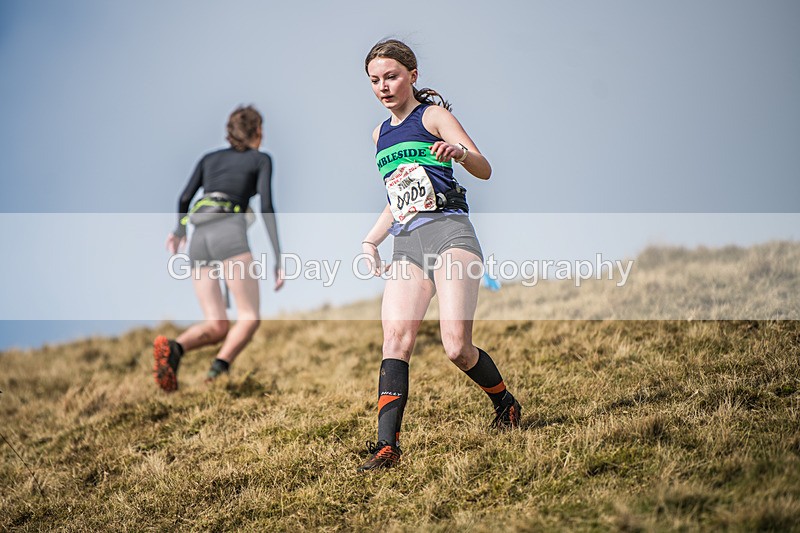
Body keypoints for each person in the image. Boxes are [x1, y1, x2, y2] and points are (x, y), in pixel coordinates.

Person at [357, 40, 521, 471]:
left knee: (456, 348)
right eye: (375, 80)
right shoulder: (379, 135)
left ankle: (505, 403)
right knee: (395, 338)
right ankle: (387, 447)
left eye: (391, 76)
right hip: (407, 243)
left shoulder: (432, 116)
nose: (383, 86)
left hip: (450, 233)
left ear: (412, 75)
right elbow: (398, 197)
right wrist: (371, 241)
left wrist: (459, 154)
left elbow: (484, 167)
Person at [154, 105, 284, 392]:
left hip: (199, 237)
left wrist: (179, 230)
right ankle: (216, 373)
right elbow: (266, 207)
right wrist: (278, 257)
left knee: (217, 324)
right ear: (258, 131)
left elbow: (184, 198)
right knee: (248, 317)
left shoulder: (209, 159)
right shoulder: (261, 159)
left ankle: (174, 349)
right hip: (229, 233)